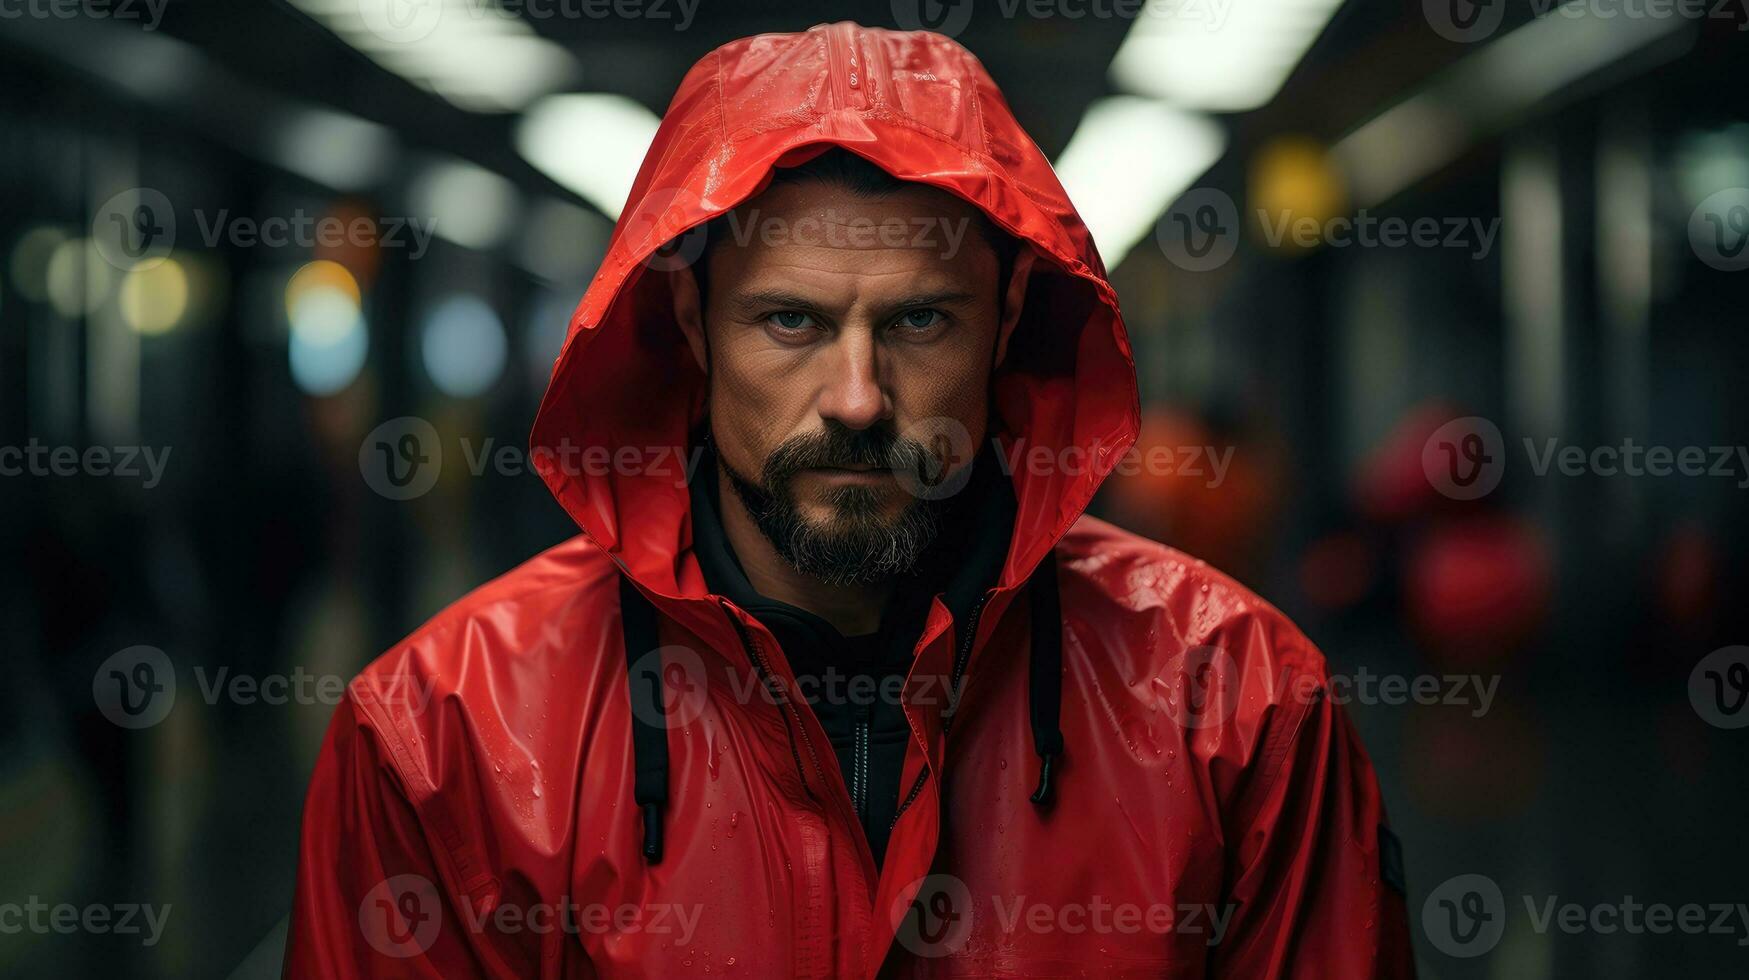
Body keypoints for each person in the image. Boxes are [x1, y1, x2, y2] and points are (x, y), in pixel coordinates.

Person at [286, 21, 1415, 978]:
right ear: (691, 327)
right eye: (793, 322)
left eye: (920, 321)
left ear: (1008, 321)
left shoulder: (1235, 708)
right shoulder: (450, 739)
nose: (860, 399)